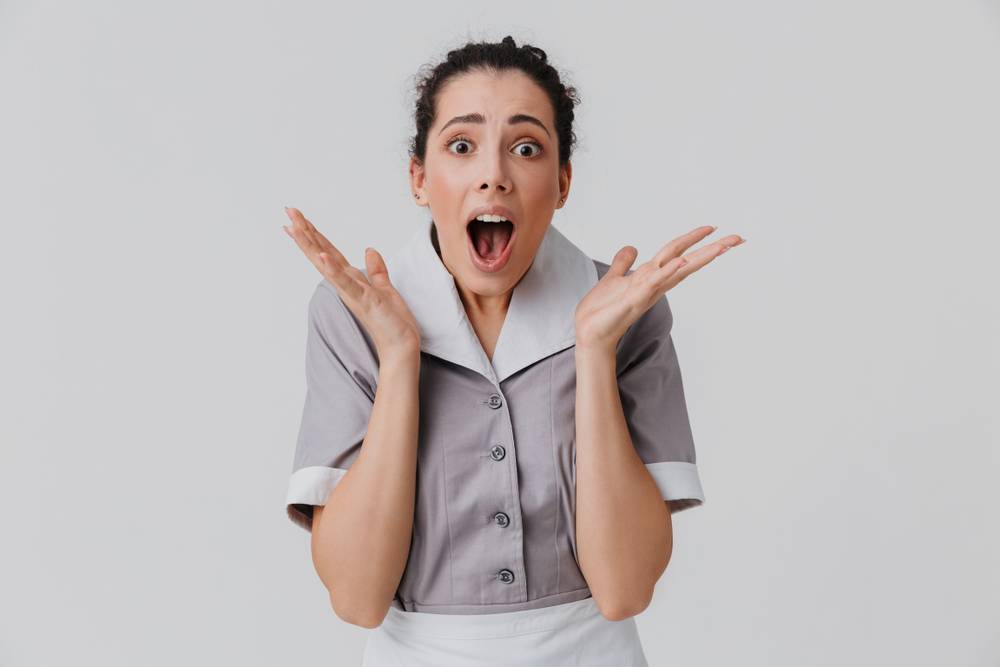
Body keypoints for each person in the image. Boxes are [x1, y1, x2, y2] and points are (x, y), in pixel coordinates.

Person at [282, 35, 745, 666]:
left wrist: (594, 350)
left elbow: (624, 588)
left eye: (525, 148)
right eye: (462, 146)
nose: (493, 173)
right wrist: (397, 359)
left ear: (561, 182)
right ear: (420, 178)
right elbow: (358, 599)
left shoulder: (623, 310)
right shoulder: (352, 313)